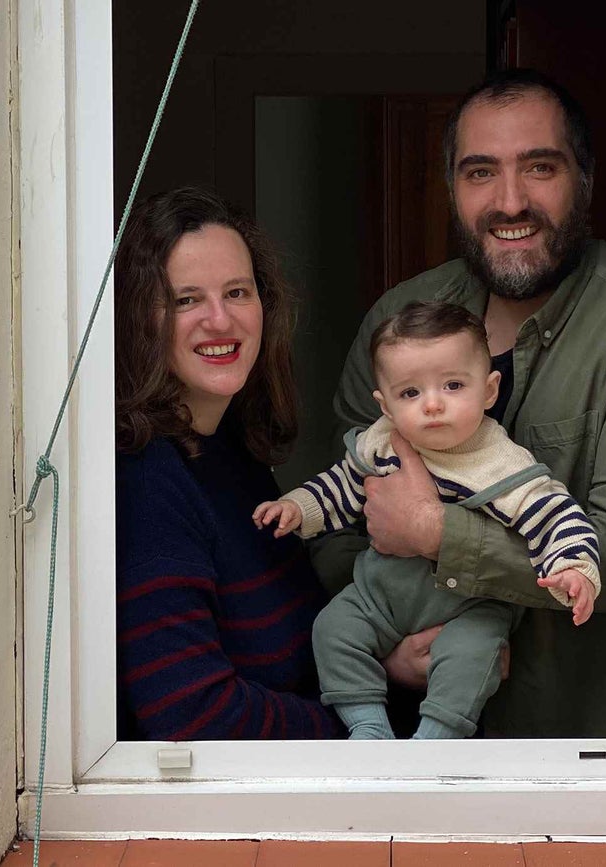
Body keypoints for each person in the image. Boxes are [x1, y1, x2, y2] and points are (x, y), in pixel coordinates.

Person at [310, 68, 606, 738]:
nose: (511, 200)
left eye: (540, 167)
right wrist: (389, 645)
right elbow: (333, 531)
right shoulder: (396, 320)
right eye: (480, 172)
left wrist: (438, 534)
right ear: (451, 189)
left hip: (570, 745)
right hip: (403, 738)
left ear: (586, 179)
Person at [254, 302, 600, 739]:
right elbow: (341, 488)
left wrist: (572, 566)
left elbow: (555, 515)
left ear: (489, 390)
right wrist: (298, 508)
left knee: (475, 652)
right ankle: (367, 725)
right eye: (410, 394)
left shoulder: (499, 464)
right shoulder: (381, 445)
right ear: (385, 406)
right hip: (380, 598)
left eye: (453, 385)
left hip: (466, 609)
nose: (433, 405)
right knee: (333, 628)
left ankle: (436, 737)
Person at [113, 187, 341, 740]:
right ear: (140, 319)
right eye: (185, 299)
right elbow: (193, 718)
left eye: (236, 292)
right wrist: (356, 731)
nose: (220, 320)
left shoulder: (231, 451)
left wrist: (386, 668)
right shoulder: (146, 480)